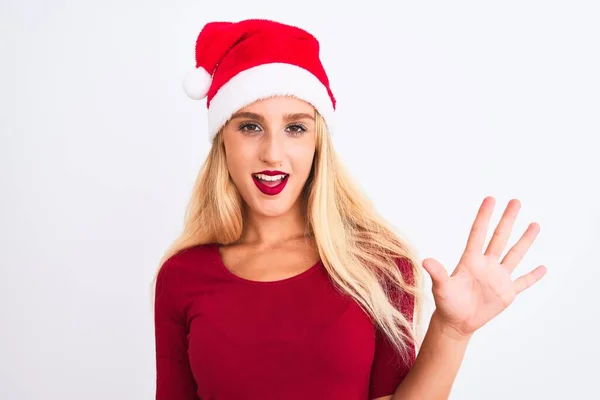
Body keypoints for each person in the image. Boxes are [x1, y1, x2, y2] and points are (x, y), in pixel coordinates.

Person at [152, 18, 547, 400]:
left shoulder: (376, 266)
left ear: (318, 143)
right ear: (223, 140)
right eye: (250, 126)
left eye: (295, 128)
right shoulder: (182, 276)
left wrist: (452, 331)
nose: (272, 153)